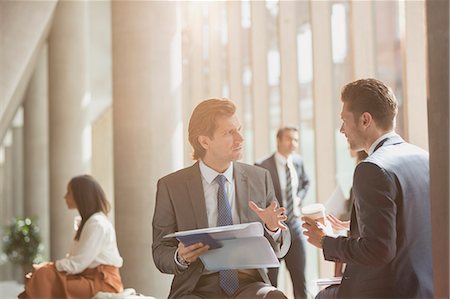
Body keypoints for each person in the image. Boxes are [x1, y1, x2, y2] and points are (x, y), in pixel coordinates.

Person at [302, 78, 434, 298]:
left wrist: (325, 241)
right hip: (427, 288)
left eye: (344, 120)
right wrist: (358, 226)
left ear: (365, 120)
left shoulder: (372, 168)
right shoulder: (424, 157)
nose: (342, 129)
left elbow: (378, 250)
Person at [152, 98, 291, 299]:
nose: (240, 139)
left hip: (249, 285)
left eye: (239, 129)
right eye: (229, 132)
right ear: (204, 141)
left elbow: (281, 249)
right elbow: (160, 250)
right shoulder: (172, 186)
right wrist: (180, 257)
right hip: (197, 288)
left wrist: (273, 229)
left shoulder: (259, 178)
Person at [19, 175, 124, 299]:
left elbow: (78, 263)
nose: (65, 197)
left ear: (81, 196)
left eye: (69, 192)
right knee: (41, 275)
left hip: (103, 282)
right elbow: (76, 263)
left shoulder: (97, 224)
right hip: (84, 276)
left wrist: (51, 266)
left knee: (43, 275)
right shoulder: (86, 222)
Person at [256, 126, 310, 299]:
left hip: (295, 228)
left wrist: (299, 198)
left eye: (296, 140)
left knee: (300, 281)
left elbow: (306, 183)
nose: (293, 143)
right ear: (278, 140)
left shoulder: (298, 162)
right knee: (271, 283)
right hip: (273, 233)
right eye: (289, 139)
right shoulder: (262, 166)